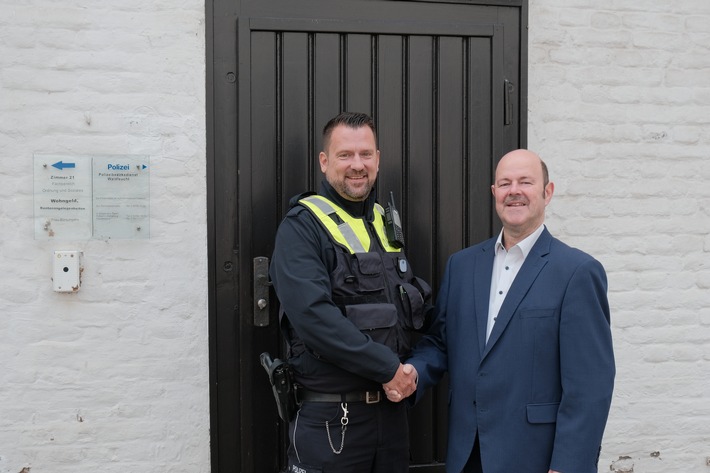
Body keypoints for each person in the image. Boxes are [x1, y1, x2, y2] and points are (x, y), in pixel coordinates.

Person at [393, 149, 615, 473]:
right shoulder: (462, 266)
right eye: (505, 183)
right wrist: (413, 372)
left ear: (547, 192)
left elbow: (590, 385)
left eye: (525, 182)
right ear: (494, 192)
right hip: (466, 454)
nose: (514, 191)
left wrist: (568, 466)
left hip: (535, 458)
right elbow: (441, 342)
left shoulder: (577, 272)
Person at [269, 112, 430, 473]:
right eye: (345, 155)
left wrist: (415, 370)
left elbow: (412, 307)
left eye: (365, 154)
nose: (357, 165)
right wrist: (389, 369)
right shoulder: (302, 227)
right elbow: (314, 318)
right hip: (331, 421)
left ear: (378, 159)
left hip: (391, 418)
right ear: (324, 162)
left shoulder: (385, 223)